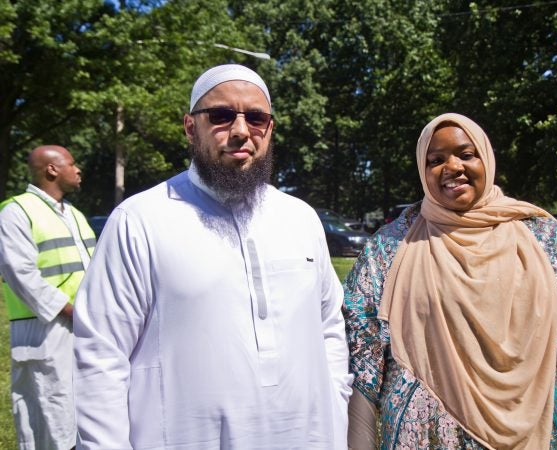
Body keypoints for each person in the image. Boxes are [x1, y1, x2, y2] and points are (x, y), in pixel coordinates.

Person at [72, 64, 352, 449]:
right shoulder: (141, 220)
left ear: (269, 130)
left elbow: (329, 330)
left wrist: (335, 417)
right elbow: (101, 353)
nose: (241, 130)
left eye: (256, 118)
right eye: (221, 116)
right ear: (191, 128)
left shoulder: (300, 218)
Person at [343, 113, 557, 449]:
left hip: (536, 433)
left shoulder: (546, 239)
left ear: (486, 158)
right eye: (436, 159)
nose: (452, 167)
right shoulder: (390, 247)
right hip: (425, 438)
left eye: (466, 154)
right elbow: (363, 361)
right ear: (422, 167)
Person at [0, 145, 95, 450]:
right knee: (49, 415)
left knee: (84, 414)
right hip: (43, 329)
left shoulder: (75, 215)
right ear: (52, 170)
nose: (78, 169)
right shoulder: (17, 211)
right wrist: (68, 310)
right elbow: (20, 274)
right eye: (72, 163)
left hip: (82, 325)